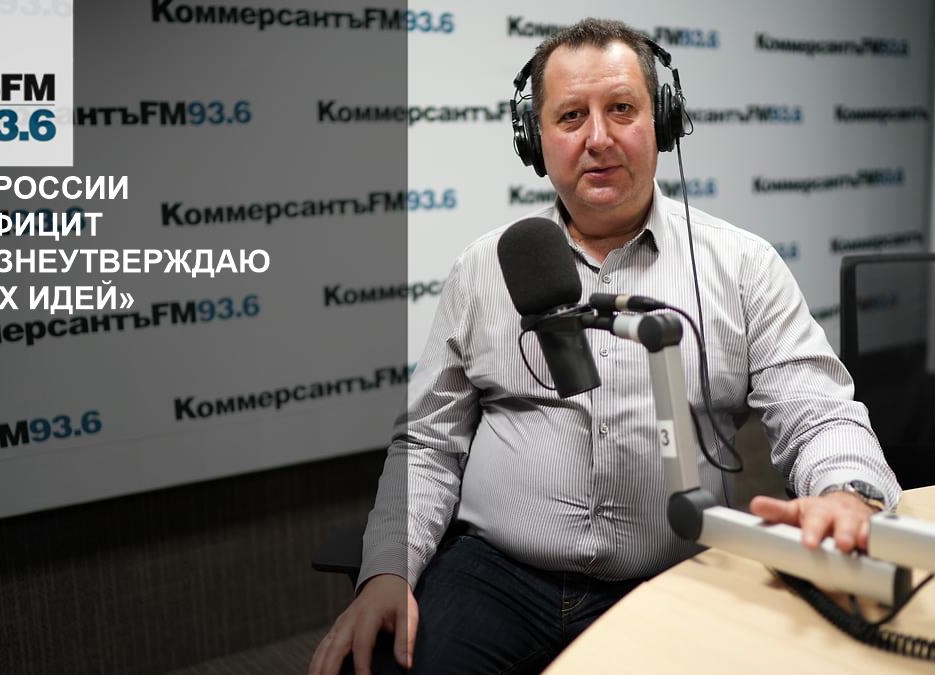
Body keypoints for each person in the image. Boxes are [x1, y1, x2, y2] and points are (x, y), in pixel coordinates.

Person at [309, 17, 901, 675]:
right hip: (496, 574)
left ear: (663, 121)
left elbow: (819, 415)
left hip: (670, 575)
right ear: (534, 139)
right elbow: (428, 443)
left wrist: (848, 493)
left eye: (621, 109)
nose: (598, 138)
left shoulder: (743, 268)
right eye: (570, 116)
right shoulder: (483, 269)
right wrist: (387, 569)